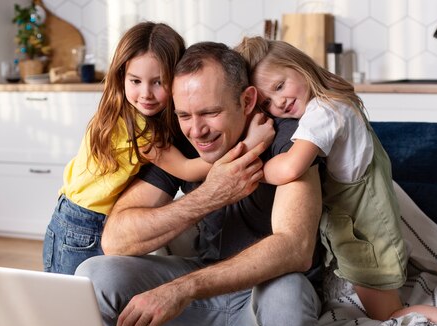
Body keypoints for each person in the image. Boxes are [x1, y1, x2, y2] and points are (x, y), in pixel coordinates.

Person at [234, 36, 437, 326]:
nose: (277, 103)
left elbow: (290, 169)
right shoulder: (333, 101)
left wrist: (248, 164)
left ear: (302, 68)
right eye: (266, 102)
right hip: (362, 228)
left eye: (280, 87)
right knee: (367, 306)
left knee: (388, 317)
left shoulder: (323, 114)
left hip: (366, 235)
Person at [75, 41, 324, 326]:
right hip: (205, 286)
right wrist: (210, 194)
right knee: (94, 274)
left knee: (287, 292)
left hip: (262, 292)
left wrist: (182, 289)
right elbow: (116, 239)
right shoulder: (181, 145)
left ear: (246, 101)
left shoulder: (288, 137)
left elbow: (296, 247)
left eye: (210, 112)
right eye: (184, 115)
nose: (198, 130)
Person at [43, 23, 271, 275]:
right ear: (122, 77)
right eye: (135, 81)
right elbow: (186, 168)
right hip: (83, 225)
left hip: (69, 211)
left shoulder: (121, 112)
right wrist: (249, 145)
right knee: (75, 302)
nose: (146, 94)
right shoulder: (140, 129)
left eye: (158, 82)